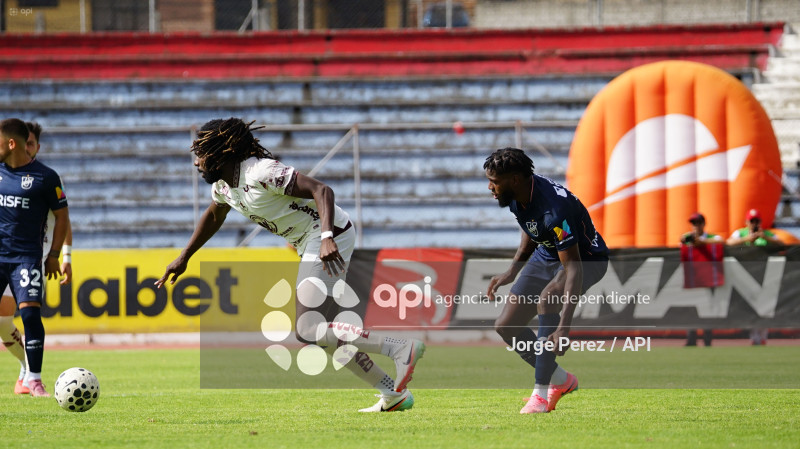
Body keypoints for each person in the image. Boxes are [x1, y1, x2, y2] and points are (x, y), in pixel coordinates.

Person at [155, 118, 425, 412]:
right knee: (325, 335)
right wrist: (185, 256)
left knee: (308, 329)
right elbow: (214, 215)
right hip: (310, 242)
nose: (196, 162)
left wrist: (325, 238)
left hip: (328, 236)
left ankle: (400, 348)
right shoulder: (223, 186)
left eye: (201, 153)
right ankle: (392, 394)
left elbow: (322, 190)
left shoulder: (261, 172)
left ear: (222, 152)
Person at [484, 148, 609, 414]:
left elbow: (573, 267)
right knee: (506, 326)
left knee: (548, 299)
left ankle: (540, 394)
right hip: (547, 253)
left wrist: (564, 327)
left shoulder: (555, 210)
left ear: (514, 180)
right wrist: (513, 270)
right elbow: (530, 228)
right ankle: (562, 381)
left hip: (586, 258)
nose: (490, 187)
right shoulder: (518, 194)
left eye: (494, 182)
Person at [0, 122, 74, 394]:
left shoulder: (46, 178)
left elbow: (64, 219)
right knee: (2, 323)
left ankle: (32, 376)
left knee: (30, 314)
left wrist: (59, 256)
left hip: (28, 257)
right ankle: (25, 366)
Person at [726, 208, 782, 345]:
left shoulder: (767, 234)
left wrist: (764, 238)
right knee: (750, 307)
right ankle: (753, 335)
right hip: (744, 275)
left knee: (764, 306)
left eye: (756, 221)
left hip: (764, 275)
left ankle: (762, 336)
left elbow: (782, 244)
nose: (754, 224)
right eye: (752, 221)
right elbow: (728, 243)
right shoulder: (740, 233)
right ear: (746, 222)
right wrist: (747, 239)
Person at [680, 212, 722, 347]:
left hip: (708, 278)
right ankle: (691, 339)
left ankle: (707, 339)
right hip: (693, 278)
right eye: (693, 223)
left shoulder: (711, 237)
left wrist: (702, 242)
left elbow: (720, 241)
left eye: (698, 223)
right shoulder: (688, 238)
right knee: (691, 310)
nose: (695, 226)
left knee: (707, 309)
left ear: (703, 224)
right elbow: (680, 244)